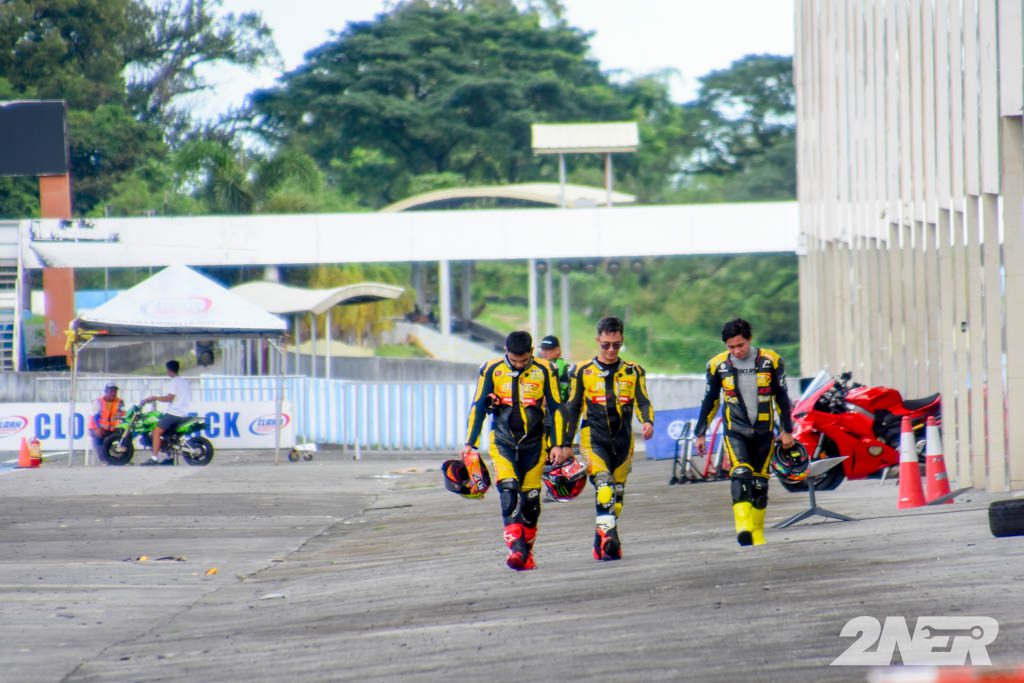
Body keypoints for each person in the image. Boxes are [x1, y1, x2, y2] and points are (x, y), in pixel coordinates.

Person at [462, 330, 569, 571]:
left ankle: (525, 553)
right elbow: (478, 407)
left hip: (535, 443)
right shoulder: (491, 369)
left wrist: (558, 444)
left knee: (531, 502)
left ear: (531, 352)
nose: (519, 365)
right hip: (502, 442)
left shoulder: (546, 370)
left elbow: (557, 407)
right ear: (506, 352)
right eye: (514, 360)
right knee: (508, 491)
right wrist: (470, 443)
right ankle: (515, 549)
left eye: (524, 360)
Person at [694, 318, 795, 547]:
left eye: (740, 345)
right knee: (740, 474)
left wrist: (787, 430)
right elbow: (710, 401)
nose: (736, 351)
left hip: (764, 432)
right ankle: (743, 528)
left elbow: (782, 397)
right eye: (731, 347)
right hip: (735, 431)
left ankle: (757, 534)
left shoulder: (771, 360)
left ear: (749, 339)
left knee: (760, 484)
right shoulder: (717, 365)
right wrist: (701, 433)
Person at [564, 316, 654, 561]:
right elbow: (572, 408)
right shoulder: (582, 371)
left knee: (617, 498)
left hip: (623, 442)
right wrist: (565, 444)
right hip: (594, 438)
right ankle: (610, 539)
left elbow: (643, 401)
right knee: (604, 487)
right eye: (606, 345)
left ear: (622, 340)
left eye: (616, 345)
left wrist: (647, 421)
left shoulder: (634, 371)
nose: (611, 350)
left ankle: (601, 542)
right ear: (597, 341)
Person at [140, 360, 192, 466]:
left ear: (169, 370)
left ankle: (154, 458)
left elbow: (169, 398)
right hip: (183, 413)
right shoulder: (184, 382)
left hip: (174, 414)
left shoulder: (173, 382)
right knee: (167, 435)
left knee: (156, 432)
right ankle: (169, 458)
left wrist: (155, 398)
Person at [89, 381, 125, 455]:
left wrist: (120, 415)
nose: (113, 393)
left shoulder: (120, 402)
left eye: (115, 391)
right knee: (98, 435)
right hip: (99, 427)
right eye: (111, 391)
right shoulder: (98, 402)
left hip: (113, 429)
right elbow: (94, 417)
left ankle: (122, 457)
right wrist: (97, 428)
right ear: (105, 391)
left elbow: (123, 415)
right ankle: (103, 456)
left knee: (125, 435)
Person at [538, 335, 570, 402]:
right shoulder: (542, 363)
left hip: (559, 403)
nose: (544, 352)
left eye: (548, 349)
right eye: (543, 349)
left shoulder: (561, 364)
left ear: (557, 350)